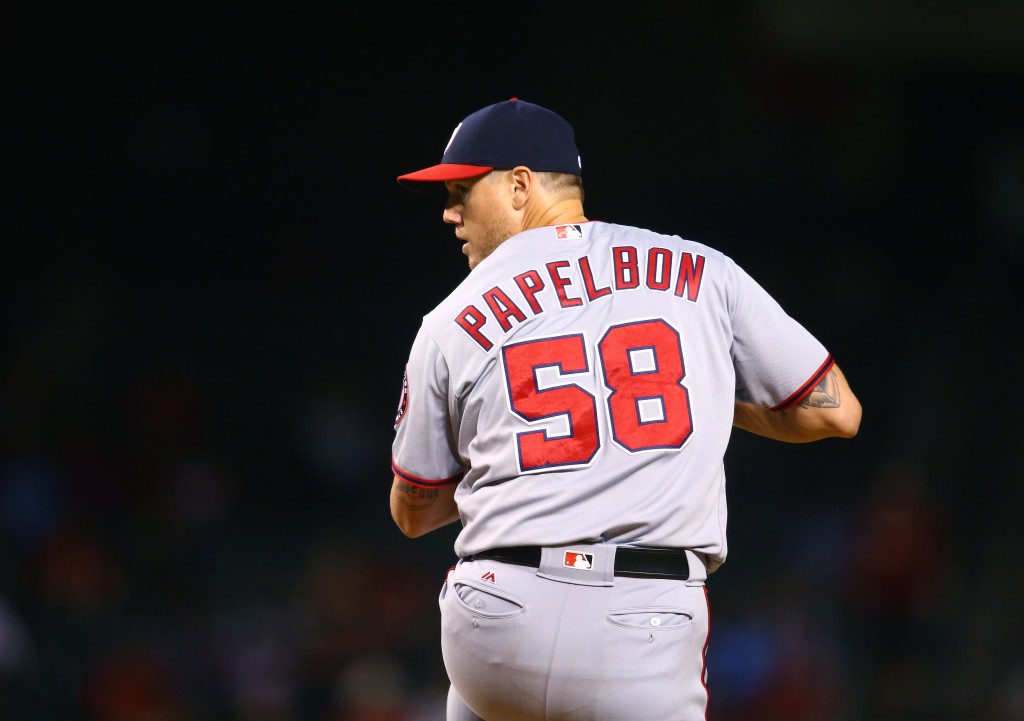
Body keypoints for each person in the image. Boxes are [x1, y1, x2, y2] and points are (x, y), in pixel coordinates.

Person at [388, 97, 862, 721]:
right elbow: (836, 413)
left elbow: (413, 512)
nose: (450, 212)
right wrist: (709, 401)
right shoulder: (698, 270)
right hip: (641, 621)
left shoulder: (453, 317)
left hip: (498, 615)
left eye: (461, 190)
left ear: (520, 185)